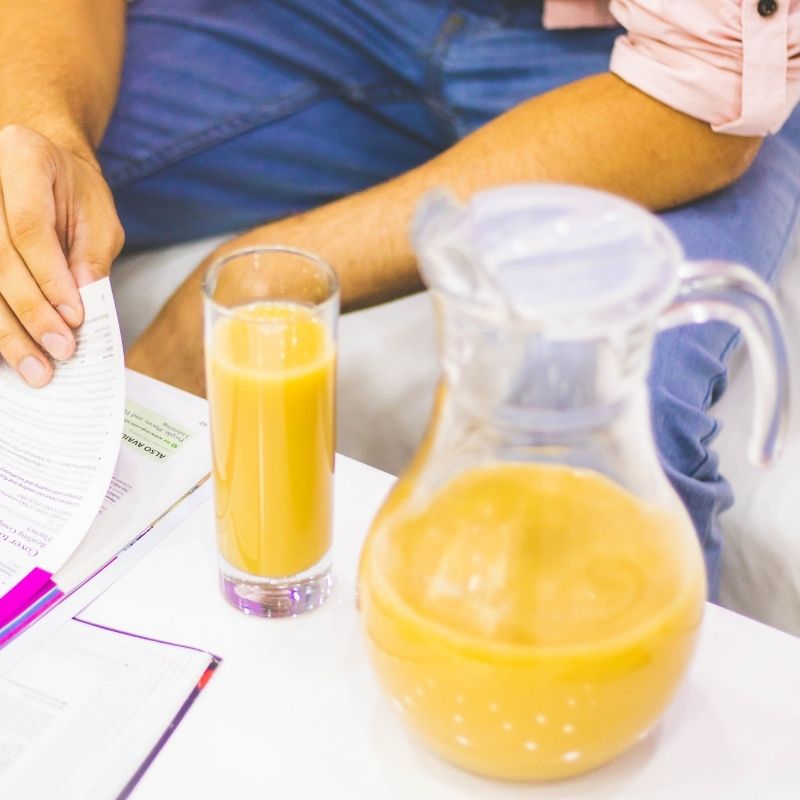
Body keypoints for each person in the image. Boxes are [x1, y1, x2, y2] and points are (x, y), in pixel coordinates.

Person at [0, 0, 798, 595]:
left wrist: (258, 281)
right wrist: (45, 130)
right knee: (26, 220)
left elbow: (701, 93)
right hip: (323, 18)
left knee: (613, 421)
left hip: (639, 78)